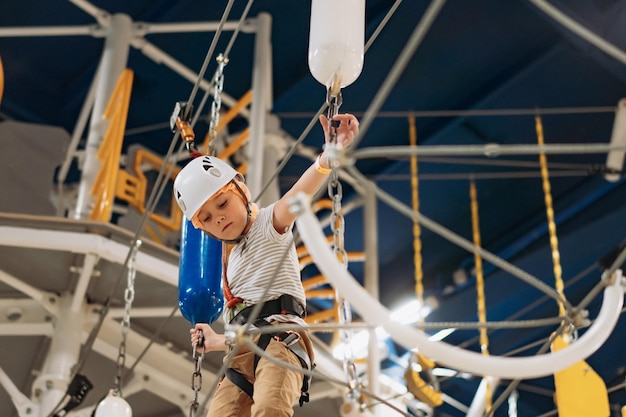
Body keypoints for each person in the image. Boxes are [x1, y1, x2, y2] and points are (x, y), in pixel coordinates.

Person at [173, 112, 359, 417]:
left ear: (243, 193)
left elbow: (300, 192)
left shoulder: (270, 223)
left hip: (280, 338)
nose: (218, 217)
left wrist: (327, 157)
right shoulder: (229, 265)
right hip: (240, 349)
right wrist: (216, 339)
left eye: (222, 203)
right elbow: (245, 325)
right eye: (206, 218)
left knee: (271, 407)